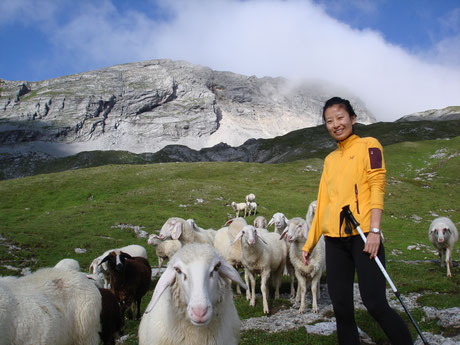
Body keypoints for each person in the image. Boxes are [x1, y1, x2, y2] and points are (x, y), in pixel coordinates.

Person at [302, 97, 412, 345]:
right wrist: (309, 244)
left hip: (363, 237)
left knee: (375, 304)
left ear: (352, 118)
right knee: (341, 310)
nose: (335, 125)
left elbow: (377, 185)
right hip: (334, 241)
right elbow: (323, 205)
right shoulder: (330, 160)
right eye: (329, 121)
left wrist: (374, 231)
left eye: (340, 118)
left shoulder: (369, 145)